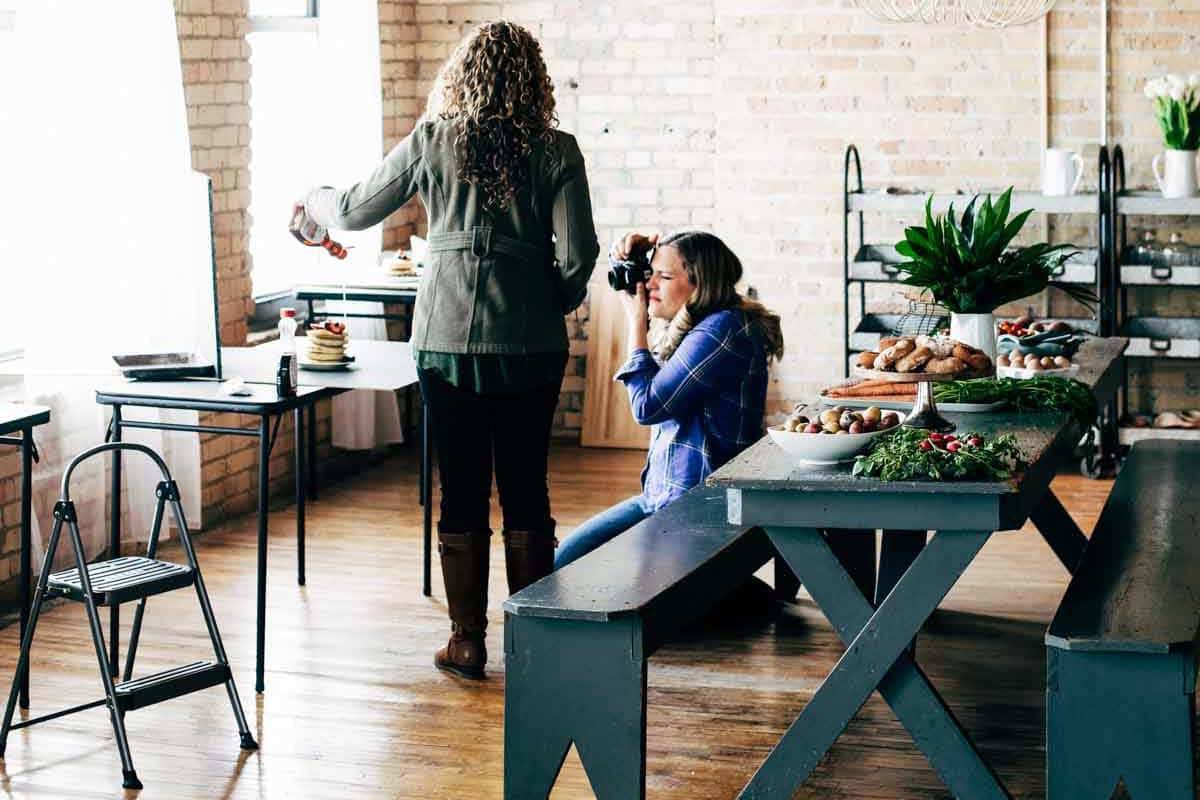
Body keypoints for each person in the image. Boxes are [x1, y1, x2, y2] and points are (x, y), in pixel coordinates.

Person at [297, 21, 599, 680]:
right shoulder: (557, 150)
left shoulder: (433, 141)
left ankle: (467, 642)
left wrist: (312, 198)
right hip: (530, 346)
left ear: (462, 77)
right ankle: (532, 639)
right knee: (526, 487)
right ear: (533, 80)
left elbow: (349, 210)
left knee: (458, 487)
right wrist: (545, 300)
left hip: (445, 340)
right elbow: (579, 257)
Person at [555, 230, 784, 568]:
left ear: (700, 283)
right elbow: (630, 280)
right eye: (651, 274)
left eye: (663, 277)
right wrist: (626, 255)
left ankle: (725, 588)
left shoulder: (721, 330)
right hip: (662, 499)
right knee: (566, 562)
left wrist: (636, 321)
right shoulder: (697, 325)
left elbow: (648, 406)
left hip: (698, 509)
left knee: (652, 597)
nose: (649, 285)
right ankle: (720, 588)